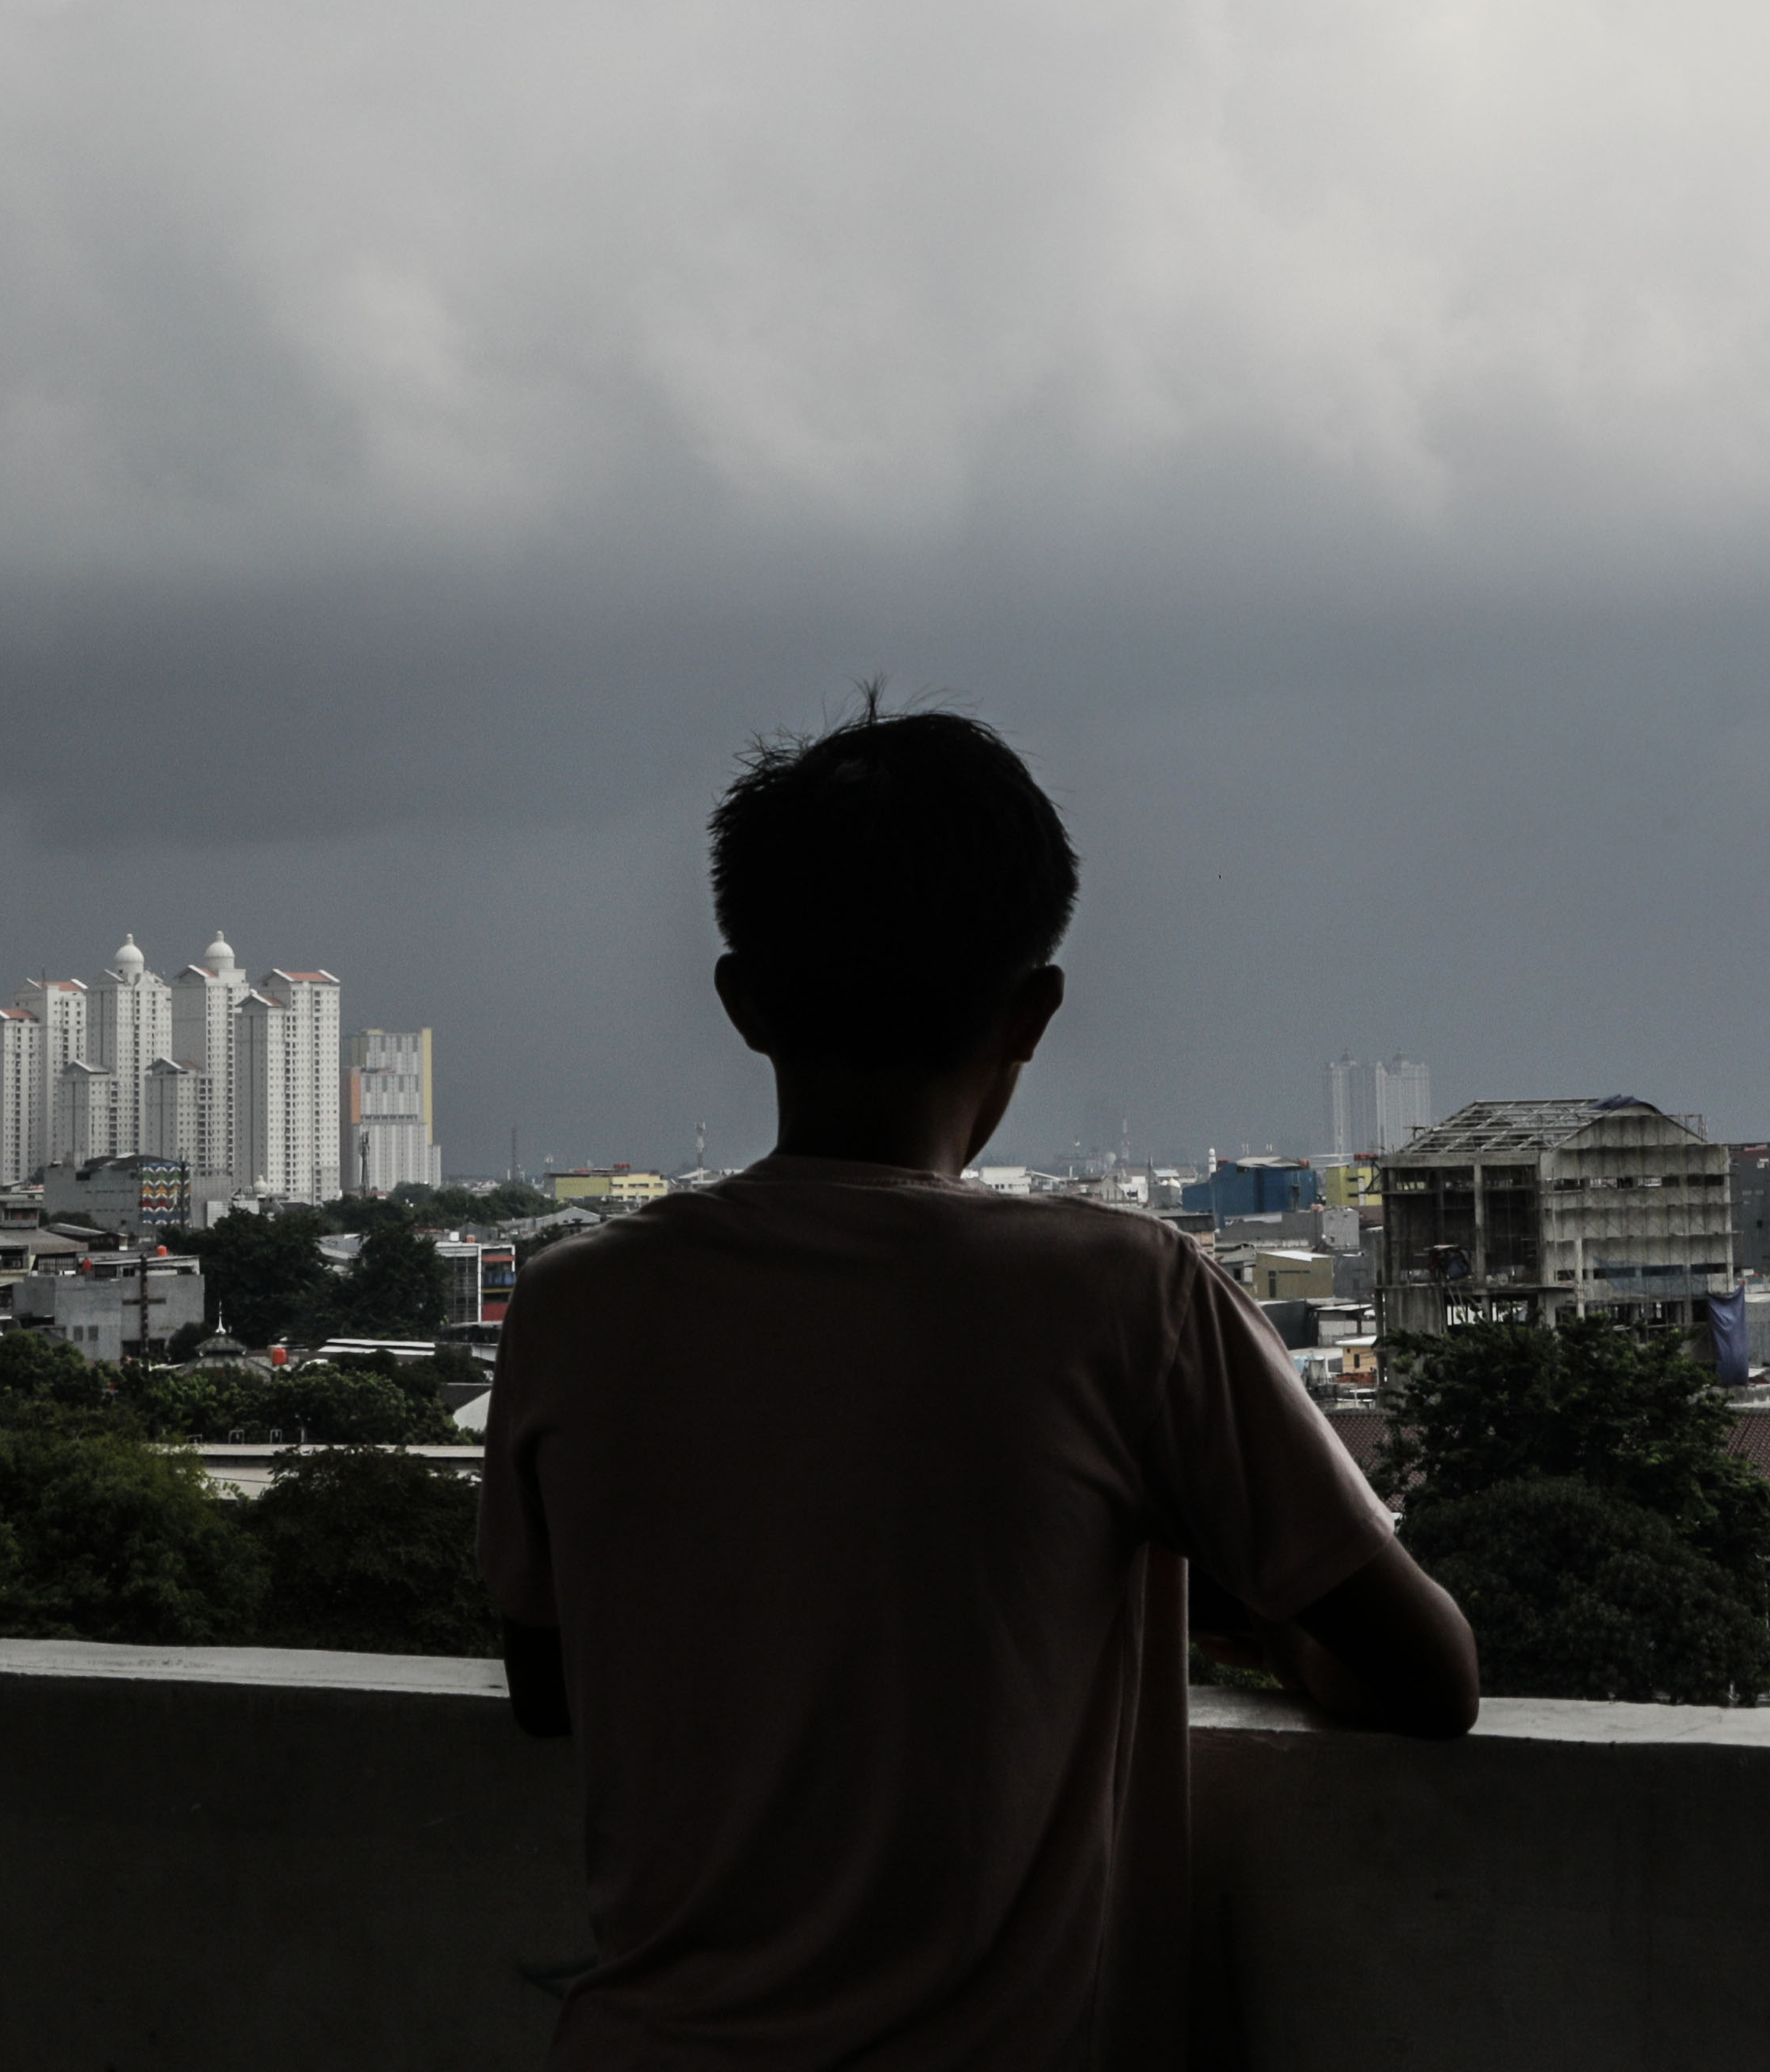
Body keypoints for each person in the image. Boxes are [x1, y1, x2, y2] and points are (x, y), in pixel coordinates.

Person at [480, 700, 1480, 2067]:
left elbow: (550, 1688)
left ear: (743, 999)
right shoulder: (1122, 1293)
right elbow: (1430, 1674)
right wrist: (1270, 1631)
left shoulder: (572, 1303)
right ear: (1034, 1011)